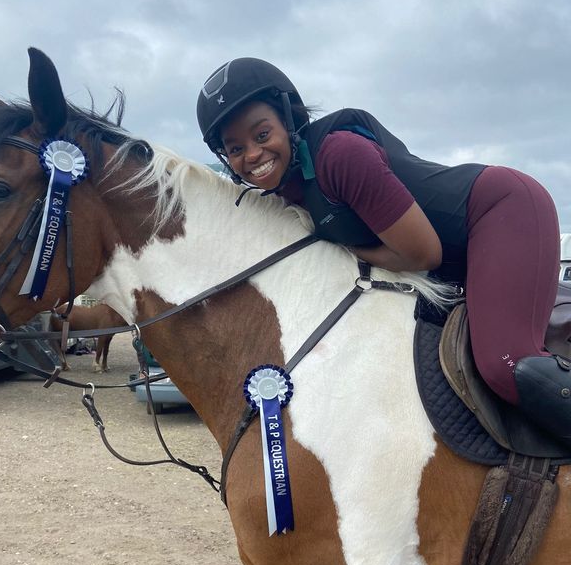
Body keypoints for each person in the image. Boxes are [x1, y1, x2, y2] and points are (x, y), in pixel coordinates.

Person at [196, 57, 570, 445]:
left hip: (502, 213)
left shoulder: (339, 155)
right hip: (461, 256)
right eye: (235, 148)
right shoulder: (288, 192)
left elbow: (422, 255)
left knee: (503, 366)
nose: (252, 155)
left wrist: (341, 247)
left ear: (288, 120)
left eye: (261, 135)